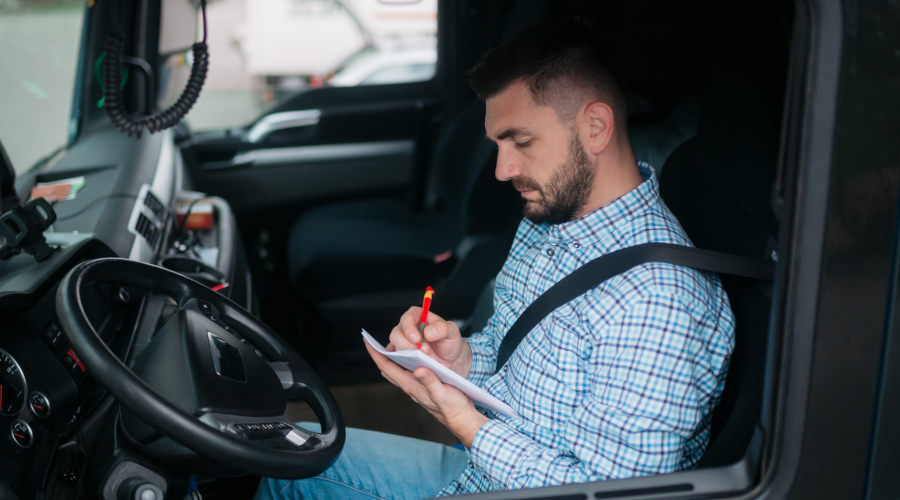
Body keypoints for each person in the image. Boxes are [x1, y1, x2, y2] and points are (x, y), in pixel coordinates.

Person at [255, 20, 734, 499]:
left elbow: (614, 492)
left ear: (596, 126)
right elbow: (510, 359)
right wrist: (460, 360)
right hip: (483, 475)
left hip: (511, 482)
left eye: (521, 142)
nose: (504, 170)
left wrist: (463, 421)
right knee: (289, 460)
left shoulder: (658, 299)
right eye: (498, 146)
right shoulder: (547, 221)